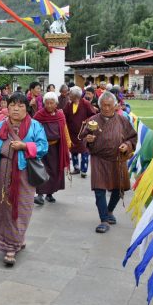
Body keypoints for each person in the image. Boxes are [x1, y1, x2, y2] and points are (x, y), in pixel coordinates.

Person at [0, 92, 48, 266]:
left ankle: (15, 241)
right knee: (5, 208)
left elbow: (43, 147)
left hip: (24, 172)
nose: (16, 109)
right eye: (12, 105)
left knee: (23, 207)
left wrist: (25, 146)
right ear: (7, 107)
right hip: (2, 170)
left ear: (27, 108)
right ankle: (10, 245)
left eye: (20, 106)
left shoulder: (35, 126)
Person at [82, 92, 137, 234]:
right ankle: (104, 220)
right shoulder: (92, 120)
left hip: (117, 159)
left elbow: (132, 138)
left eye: (109, 105)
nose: (106, 108)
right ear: (99, 106)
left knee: (119, 189)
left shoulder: (123, 120)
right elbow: (82, 138)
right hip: (98, 159)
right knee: (99, 190)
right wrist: (87, 140)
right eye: (103, 105)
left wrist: (127, 145)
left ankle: (110, 210)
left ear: (115, 106)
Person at [33, 92, 71, 205]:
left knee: (55, 171)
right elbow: (33, 129)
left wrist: (68, 143)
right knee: (41, 171)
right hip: (42, 149)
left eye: (52, 103)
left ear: (56, 104)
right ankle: (40, 195)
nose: (49, 105)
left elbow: (65, 129)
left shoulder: (60, 115)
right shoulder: (39, 115)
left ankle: (49, 194)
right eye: (47, 103)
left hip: (56, 148)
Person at [64, 86, 97, 178]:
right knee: (73, 150)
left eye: (70, 94)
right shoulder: (69, 104)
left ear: (75, 96)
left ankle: (84, 170)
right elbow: (64, 115)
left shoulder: (85, 103)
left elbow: (93, 115)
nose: (69, 96)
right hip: (72, 132)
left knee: (84, 151)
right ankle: (76, 168)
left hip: (83, 132)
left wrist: (86, 120)